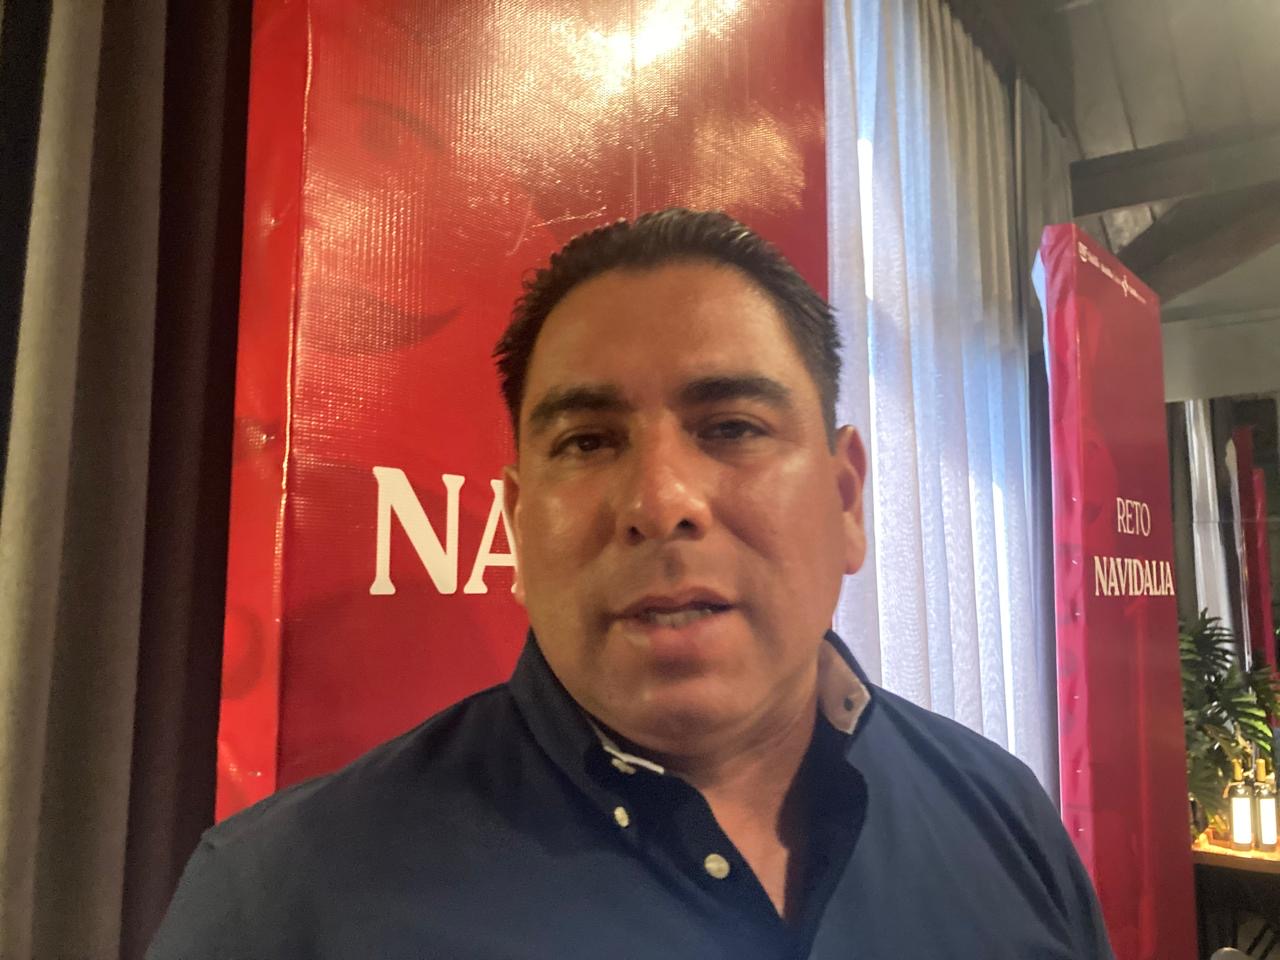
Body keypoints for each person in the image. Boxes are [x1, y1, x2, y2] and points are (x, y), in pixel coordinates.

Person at [149, 209, 1114, 959]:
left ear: (845, 499)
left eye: (731, 427)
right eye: (588, 442)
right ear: (517, 524)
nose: (659, 502)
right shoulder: (282, 902)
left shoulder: (1004, 821)